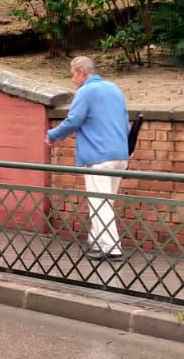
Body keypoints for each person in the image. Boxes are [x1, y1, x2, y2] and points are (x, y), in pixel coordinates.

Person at [45, 55, 130, 260]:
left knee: (100, 202)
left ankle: (111, 248)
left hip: (98, 156)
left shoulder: (86, 91)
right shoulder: (114, 89)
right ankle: (96, 240)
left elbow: (74, 120)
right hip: (120, 155)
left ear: (82, 72)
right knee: (105, 201)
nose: (72, 79)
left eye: (73, 74)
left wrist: (52, 135)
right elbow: (125, 120)